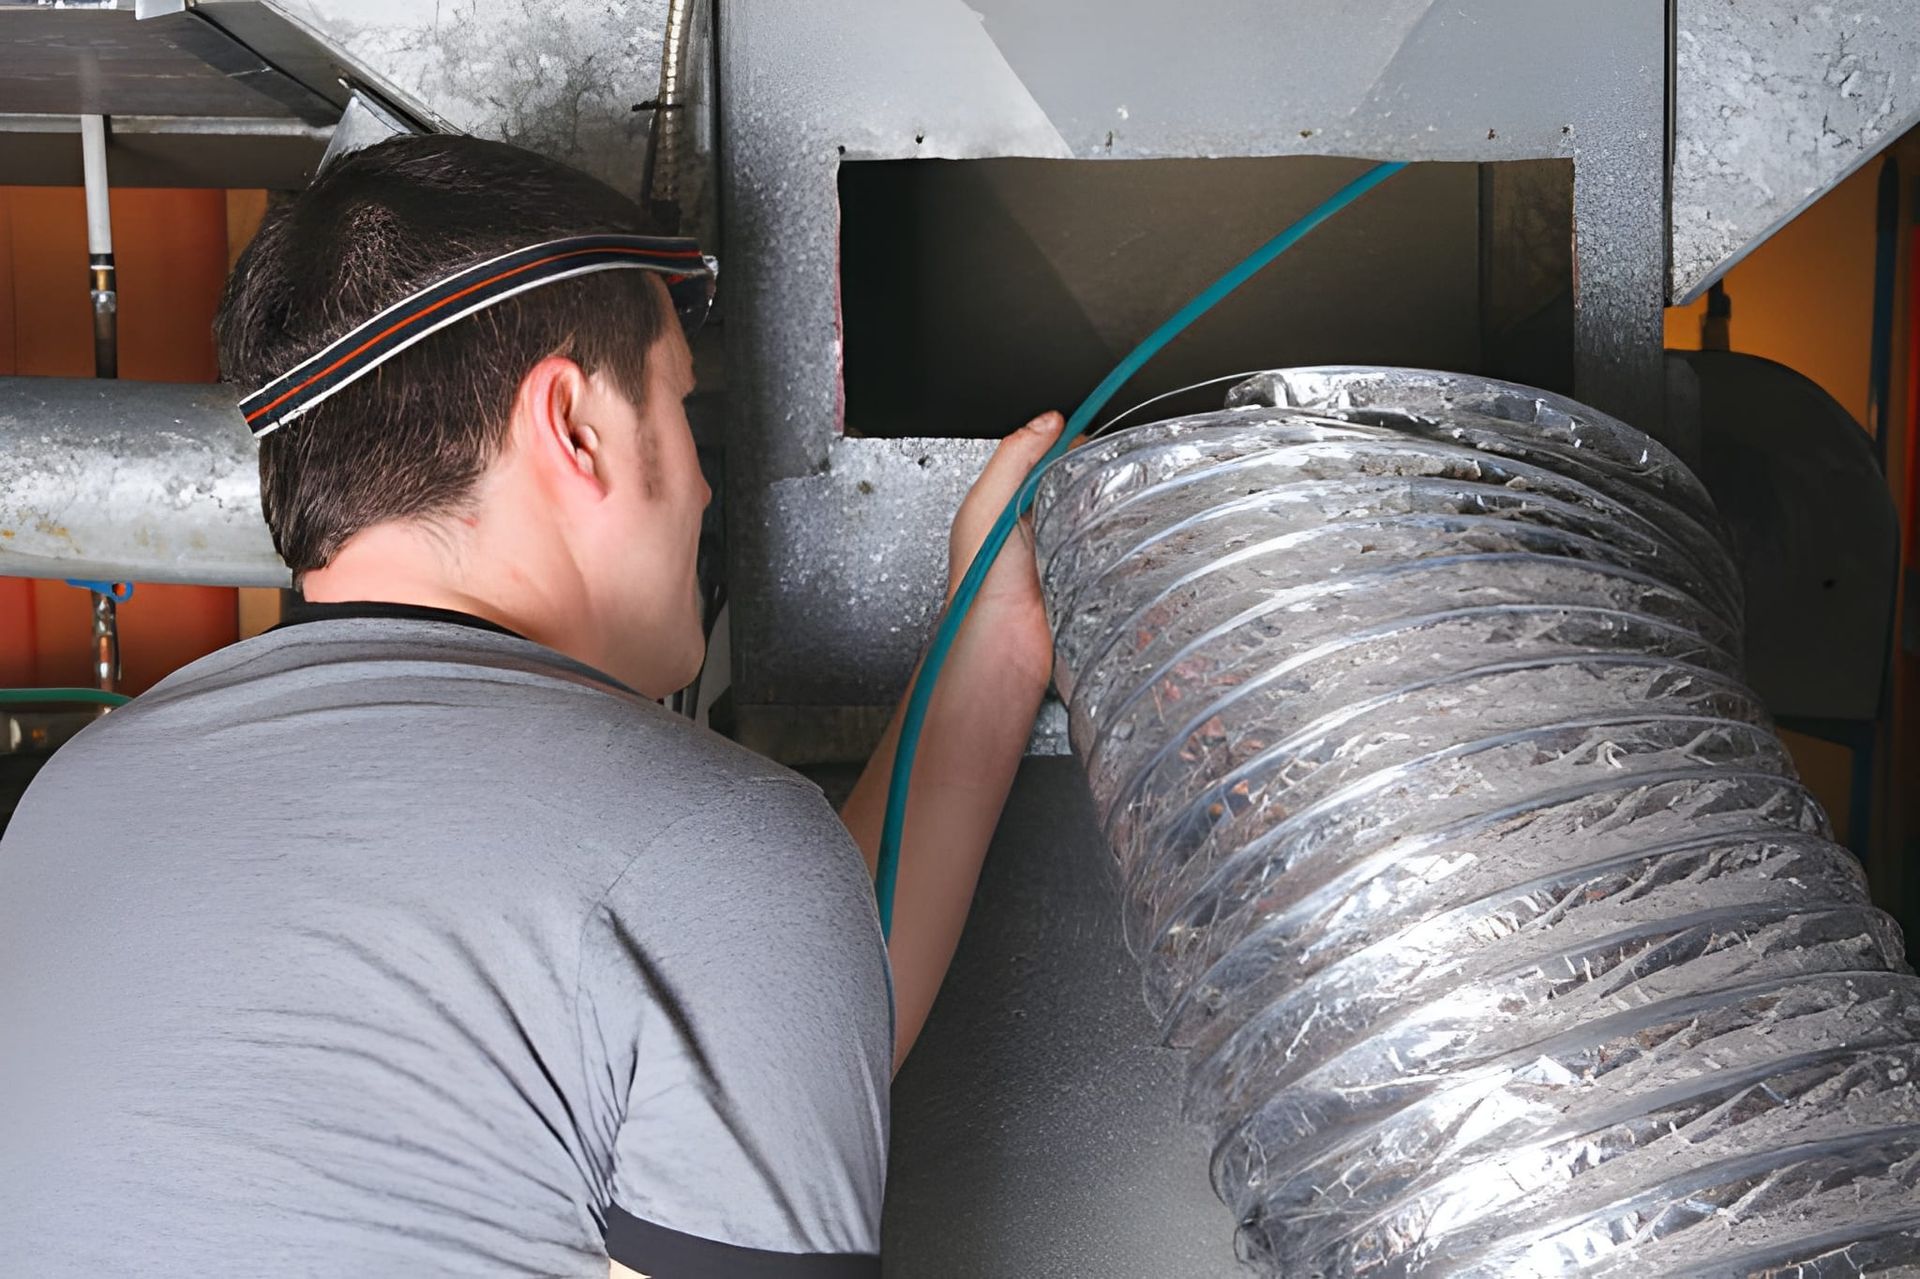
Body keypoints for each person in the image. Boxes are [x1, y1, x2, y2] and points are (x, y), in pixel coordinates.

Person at [0, 135, 1059, 1277]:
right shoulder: (708, 859)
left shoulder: (64, 814)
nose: (704, 484)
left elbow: (731, 1045)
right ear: (575, 428)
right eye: (680, 405)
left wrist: (992, 645)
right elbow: (696, 962)